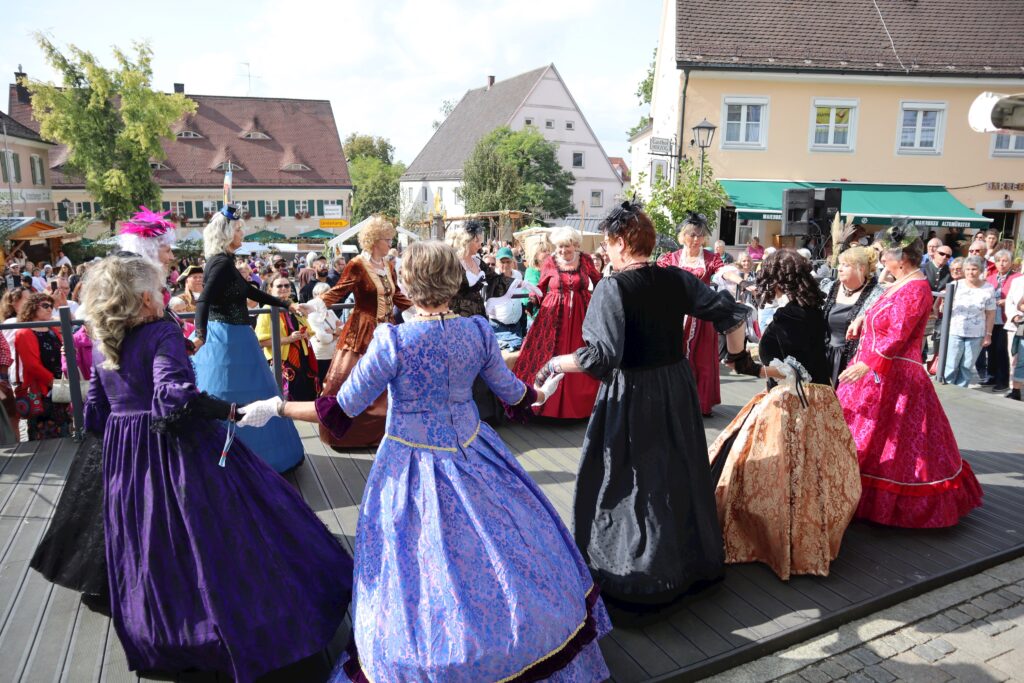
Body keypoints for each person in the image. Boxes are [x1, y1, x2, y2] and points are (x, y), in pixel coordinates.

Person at [239, 240, 611, 682]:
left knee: (420, 566)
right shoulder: (476, 330)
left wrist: (278, 407)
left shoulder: (394, 340)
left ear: (409, 283)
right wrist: (540, 391)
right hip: (477, 454)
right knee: (504, 552)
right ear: (453, 282)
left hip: (410, 464)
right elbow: (514, 397)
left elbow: (336, 412)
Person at [76, 255, 351, 681]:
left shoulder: (103, 342)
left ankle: (171, 631)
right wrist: (232, 411)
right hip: (177, 449)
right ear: (147, 298)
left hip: (127, 455)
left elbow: (95, 410)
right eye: (160, 288)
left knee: (154, 539)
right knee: (223, 531)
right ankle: (232, 628)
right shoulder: (161, 331)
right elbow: (175, 398)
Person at [534, 202, 748, 619]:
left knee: (631, 478)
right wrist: (741, 361)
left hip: (633, 393)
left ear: (619, 243)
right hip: (675, 386)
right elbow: (731, 315)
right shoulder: (677, 279)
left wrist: (554, 363)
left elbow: (600, 359)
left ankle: (640, 572)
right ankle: (686, 563)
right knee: (675, 469)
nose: (607, 253)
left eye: (610, 244)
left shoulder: (613, 289)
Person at [709, 250, 861, 580]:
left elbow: (783, 371)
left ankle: (779, 541)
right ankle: (810, 536)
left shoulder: (786, 319)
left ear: (777, 279)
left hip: (793, 403)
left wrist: (744, 364)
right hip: (823, 401)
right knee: (816, 473)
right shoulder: (813, 309)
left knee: (777, 474)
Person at [837, 223, 983, 528]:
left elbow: (900, 333)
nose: (880, 260)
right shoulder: (899, 283)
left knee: (898, 443)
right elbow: (885, 311)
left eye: (883, 255)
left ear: (901, 258)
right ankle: (851, 493)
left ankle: (884, 503)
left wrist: (870, 363)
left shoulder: (916, 288)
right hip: (876, 370)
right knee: (866, 435)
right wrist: (863, 318)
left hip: (894, 375)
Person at [192, 206, 306, 473]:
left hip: (238, 337)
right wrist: (200, 335)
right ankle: (240, 461)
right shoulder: (220, 263)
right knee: (230, 392)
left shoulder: (225, 261)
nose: (242, 232)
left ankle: (253, 459)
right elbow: (204, 300)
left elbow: (251, 292)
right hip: (227, 340)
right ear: (228, 232)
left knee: (253, 391)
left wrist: (286, 304)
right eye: (239, 228)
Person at [317, 215, 412, 448]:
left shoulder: (388, 265)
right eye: (387, 239)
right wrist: (314, 304)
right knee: (349, 379)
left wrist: (424, 308)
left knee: (389, 381)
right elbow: (338, 292)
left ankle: (386, 431)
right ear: (374, 240)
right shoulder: (358, 265)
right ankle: (348, 433)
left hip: (388, 329)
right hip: (362, 331)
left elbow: (397, 296)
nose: (391, 243)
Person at [513, 227, 603, 419]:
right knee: (546, 356)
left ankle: (581, 408)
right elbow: (540, 287)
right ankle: (542, 405)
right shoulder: (550, 261)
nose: (562, 251)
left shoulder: (585, 260)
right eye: (560, 246)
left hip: (581, 316)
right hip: (552, 318)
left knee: (581, 357)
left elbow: (599, 281)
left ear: (576, 245)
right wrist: (532, 300)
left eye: (567, 247)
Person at [656, 212, 726, 416]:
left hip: (702, 317)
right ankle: (674, 402)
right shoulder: (671, 258)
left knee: (702, 359)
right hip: (675, 316)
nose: (696, 239)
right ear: (683, 236)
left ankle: (700, 403)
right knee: (674, 358)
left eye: (700, 236)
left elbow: (723, 272)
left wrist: (742, 282)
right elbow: (655, 278)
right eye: (692, 235)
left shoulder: (711, 258)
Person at [13, 292, 73, 440]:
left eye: (51, 306)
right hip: (41, 391)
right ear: (33, 307)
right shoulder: (24, 333)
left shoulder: (52, 329)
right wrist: (53, 382)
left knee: (65, 432)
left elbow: (71, 322)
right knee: (44, 438)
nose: (49, 309)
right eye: (45, 305)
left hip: (59, 389)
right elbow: (32, 366)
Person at [822, 246, 882, 387]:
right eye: (840, 264)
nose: (840, 268)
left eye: (846, 265)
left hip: (855, 362)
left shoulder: (878, 295)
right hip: (825, 357)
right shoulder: (828, 288)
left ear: (861, 269)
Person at [256, 275, 319, 401]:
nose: (284, 288)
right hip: (282, 362)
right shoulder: (267, 309)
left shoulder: (294, 307)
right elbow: (261, 341)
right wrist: (289, 339)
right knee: (285, 398)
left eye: (287, 285)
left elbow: (310, 331)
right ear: (270, 289)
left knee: (305, 397)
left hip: (302, 359)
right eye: (279, 286)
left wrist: (305, 334)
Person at [943, 256, 997, 387]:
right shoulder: (955, 285)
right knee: (951, 365)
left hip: (976, 334)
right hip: (955, 331)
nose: (970, 272)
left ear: (980, 270)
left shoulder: (988, 288)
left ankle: (960, 393)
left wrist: (988, 335)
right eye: (967, 269)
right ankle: (945, 393)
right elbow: (945, 307)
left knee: (966, 367)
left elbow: (990, 314)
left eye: (974, 269)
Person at [981, 250, 1021, 392]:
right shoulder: (991, 277)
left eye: (1005, 261)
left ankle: (1002, 379)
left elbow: (1019, 297)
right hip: (992, 319)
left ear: (1010, 263)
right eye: (999, 261)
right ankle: (991, 375)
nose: (1002, 263)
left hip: (1007, 320)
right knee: (990, 349)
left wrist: (1007, 301)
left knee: (1002, 350)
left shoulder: (1017, 278)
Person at [485, 246, 530, 351]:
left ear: (512, 262)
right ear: (497, 263)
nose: (505, 265)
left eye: (508, 261)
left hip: (516, 326)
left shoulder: (518, 275)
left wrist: (527, 296)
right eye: (502, 262)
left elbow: (516, 295)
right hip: (498, 327)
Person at [446, 220, 492, 318]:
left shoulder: (477, 261)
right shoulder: (453, 264)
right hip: (460, 316)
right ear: (466, 242)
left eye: (480, 241)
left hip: (479, 314)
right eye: (477, 241)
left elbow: (495, 279)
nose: (480, 244)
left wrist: (518, 283)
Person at [308, 281, 342, 385]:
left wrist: (334, 332)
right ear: (316, 296)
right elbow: (323, 338)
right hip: (321, 356)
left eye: (329, 293)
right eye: (325, 293)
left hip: (334, 354)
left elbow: (344, 329)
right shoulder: (312, 313)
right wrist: (336, 334)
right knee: (321, 384)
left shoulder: (330, 312)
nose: (328, 296)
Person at [522, 234, 553, 326]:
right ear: (535, 255)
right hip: (536, 317)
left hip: (550, 315)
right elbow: (535, 292)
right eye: (543, 251)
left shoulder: (552, 270)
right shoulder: (531, 271)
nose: (548, 253)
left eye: (549, 251)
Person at [1004, 276, 1024, 401]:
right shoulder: (1017, 281)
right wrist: (1015, 316)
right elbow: (1012, 303)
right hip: (1018, 326)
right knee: (1015, 360)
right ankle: (1015, 390)